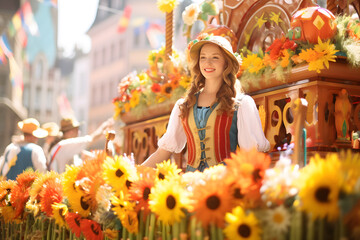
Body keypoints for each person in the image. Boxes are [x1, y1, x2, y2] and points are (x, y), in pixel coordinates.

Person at [141, 35, 270, 172]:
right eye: (203, 57)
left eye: (215, 57)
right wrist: (135, 173)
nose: (207, 63)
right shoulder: (184, 105)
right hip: (191, 184)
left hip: (224, 183)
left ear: (226, 63)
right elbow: (163, 152)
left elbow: (252, 155)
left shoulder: (241, 105)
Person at [48, 117, 113, 173]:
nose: (79, 132)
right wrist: (104, 125)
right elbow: (91, 139)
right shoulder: (64, 145)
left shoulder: (62, 146)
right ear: (71, 132)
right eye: (77, 130)